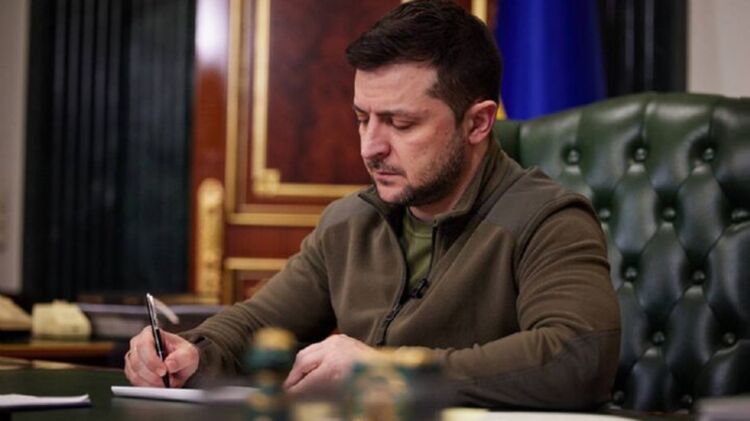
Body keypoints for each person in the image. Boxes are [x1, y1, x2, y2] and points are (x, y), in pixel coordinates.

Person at [125, 0, 620, 409]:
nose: (370, 147)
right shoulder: (350, 221)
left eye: (401, 124)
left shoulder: (549, 220)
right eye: (363, 119)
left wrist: (388, 371)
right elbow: (257, 324)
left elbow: (577, 357)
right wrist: (192, 352)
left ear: (478, 123)